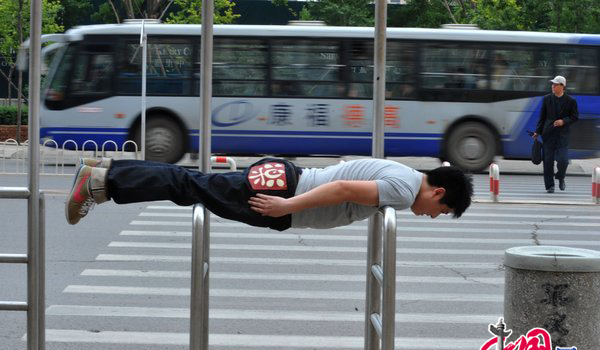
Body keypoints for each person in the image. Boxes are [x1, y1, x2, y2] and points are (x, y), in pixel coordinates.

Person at [65, 157, 473, 230]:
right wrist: (287, 206)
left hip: (285, 183)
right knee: (189, 185)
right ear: (438, 190)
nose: (432, 215)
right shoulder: (403, 191)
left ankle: (105, 177)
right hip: (281, 194)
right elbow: (344, 187)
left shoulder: (401, 174)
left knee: (192, 183)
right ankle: (102, 183)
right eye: (441, 209)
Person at [532, 75, 579, 193]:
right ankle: (549, 186)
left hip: (563, 136)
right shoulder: (547, 99)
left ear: (562, 86)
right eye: (552, 84)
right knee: (548, 161)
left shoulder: (571, 101)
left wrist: (563, 121)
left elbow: (575, 117)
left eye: (555, 84)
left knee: (563, 160)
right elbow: (542, 117)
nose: (553, 86)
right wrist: (537, 131)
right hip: (548, 134)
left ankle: (560, 176)